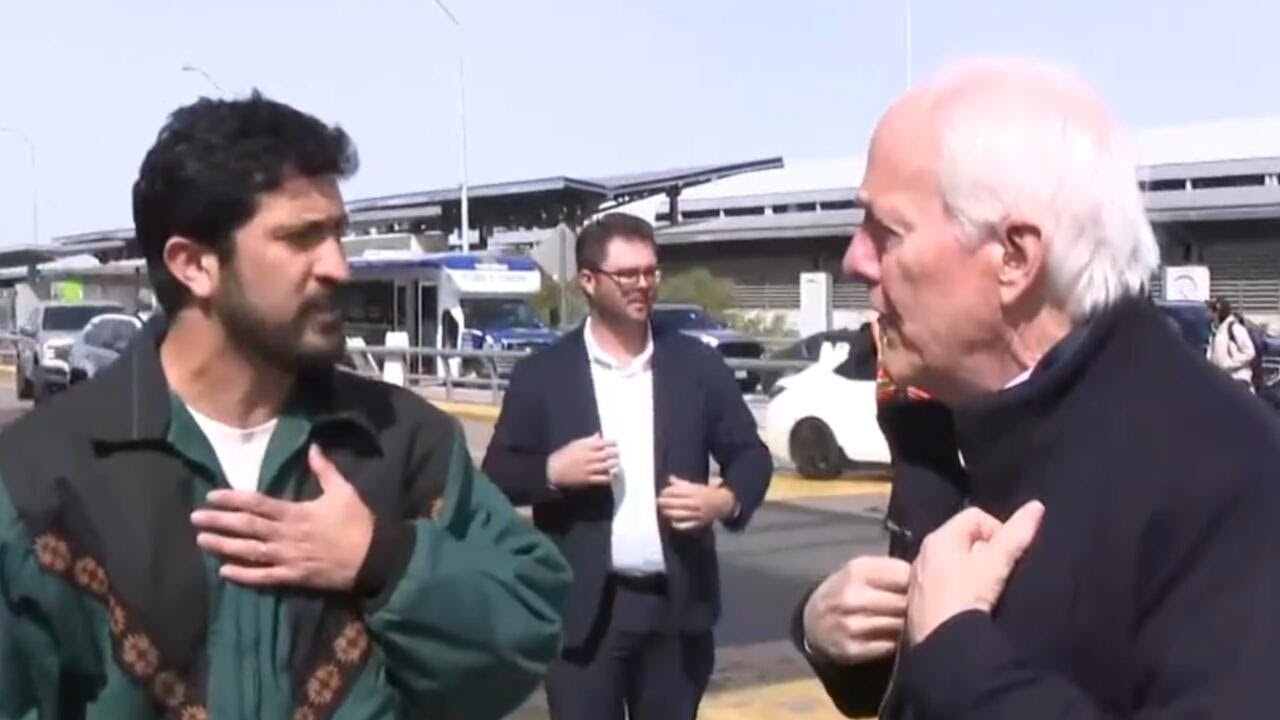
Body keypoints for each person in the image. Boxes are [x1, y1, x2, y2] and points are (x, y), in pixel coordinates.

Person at [0, 94, 570, 720]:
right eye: (302, 238)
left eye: (337, 234)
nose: (338, 267)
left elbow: (527, 629)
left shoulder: (403, 444)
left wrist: (384, 560)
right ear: (193, 265)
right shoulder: (45, 474)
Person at [793, 58, 1280, 718]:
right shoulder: (949, 430)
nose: (854, 259)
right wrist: (831, 636)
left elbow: (965, 666)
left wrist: (955, 651)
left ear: (1016, 258)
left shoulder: (1233, 480)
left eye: (888, 232)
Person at [482, 212, 773, 720]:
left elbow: (751, 456)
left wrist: (723, 500)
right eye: (628, 274)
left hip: (676, 610)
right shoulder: (543, 375)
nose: (643, 285)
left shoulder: (695, 365)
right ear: (588, 281)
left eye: (651, 272)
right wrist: (552, 470)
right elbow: (497, 475)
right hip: (583, 616)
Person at [1207, 296, 1257, 391]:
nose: (1209, 314)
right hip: (1221, 381)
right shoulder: (1215, 331)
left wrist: (1230, 363)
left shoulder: (1235, 328)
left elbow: (1250, 352)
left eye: (1212, 311)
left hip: (1238, 379)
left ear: (1219, 312)